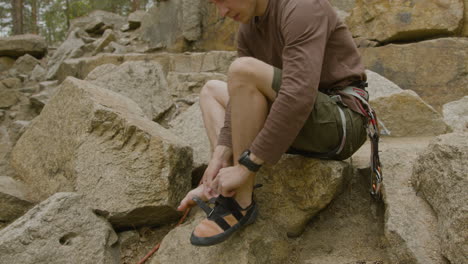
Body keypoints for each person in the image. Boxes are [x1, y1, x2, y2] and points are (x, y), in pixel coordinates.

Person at [177, 0, 369, 246]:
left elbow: (298, 95)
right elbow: (241, 96)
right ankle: (218, 183)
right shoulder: (248, 27)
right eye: (216, 5)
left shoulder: (302, 7)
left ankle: (239, 200)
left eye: (223, 1)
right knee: (211, 91)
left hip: (340, 121)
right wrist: (220, 154)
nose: (222, 13)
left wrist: (246, 167)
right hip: (299, 120)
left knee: (242, 70)